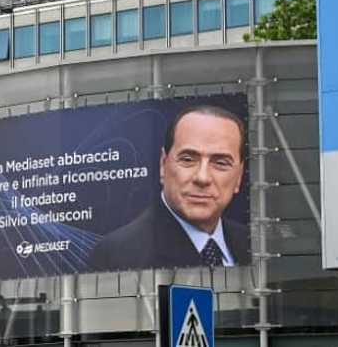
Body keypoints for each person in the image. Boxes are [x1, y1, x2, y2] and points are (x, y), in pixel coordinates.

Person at [88, 104, 249, 270]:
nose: (202, 177)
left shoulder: (254, 243)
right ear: (163, 165)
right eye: (188, 159)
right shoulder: (117, 256)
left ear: (239, 176)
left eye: (221, 163)